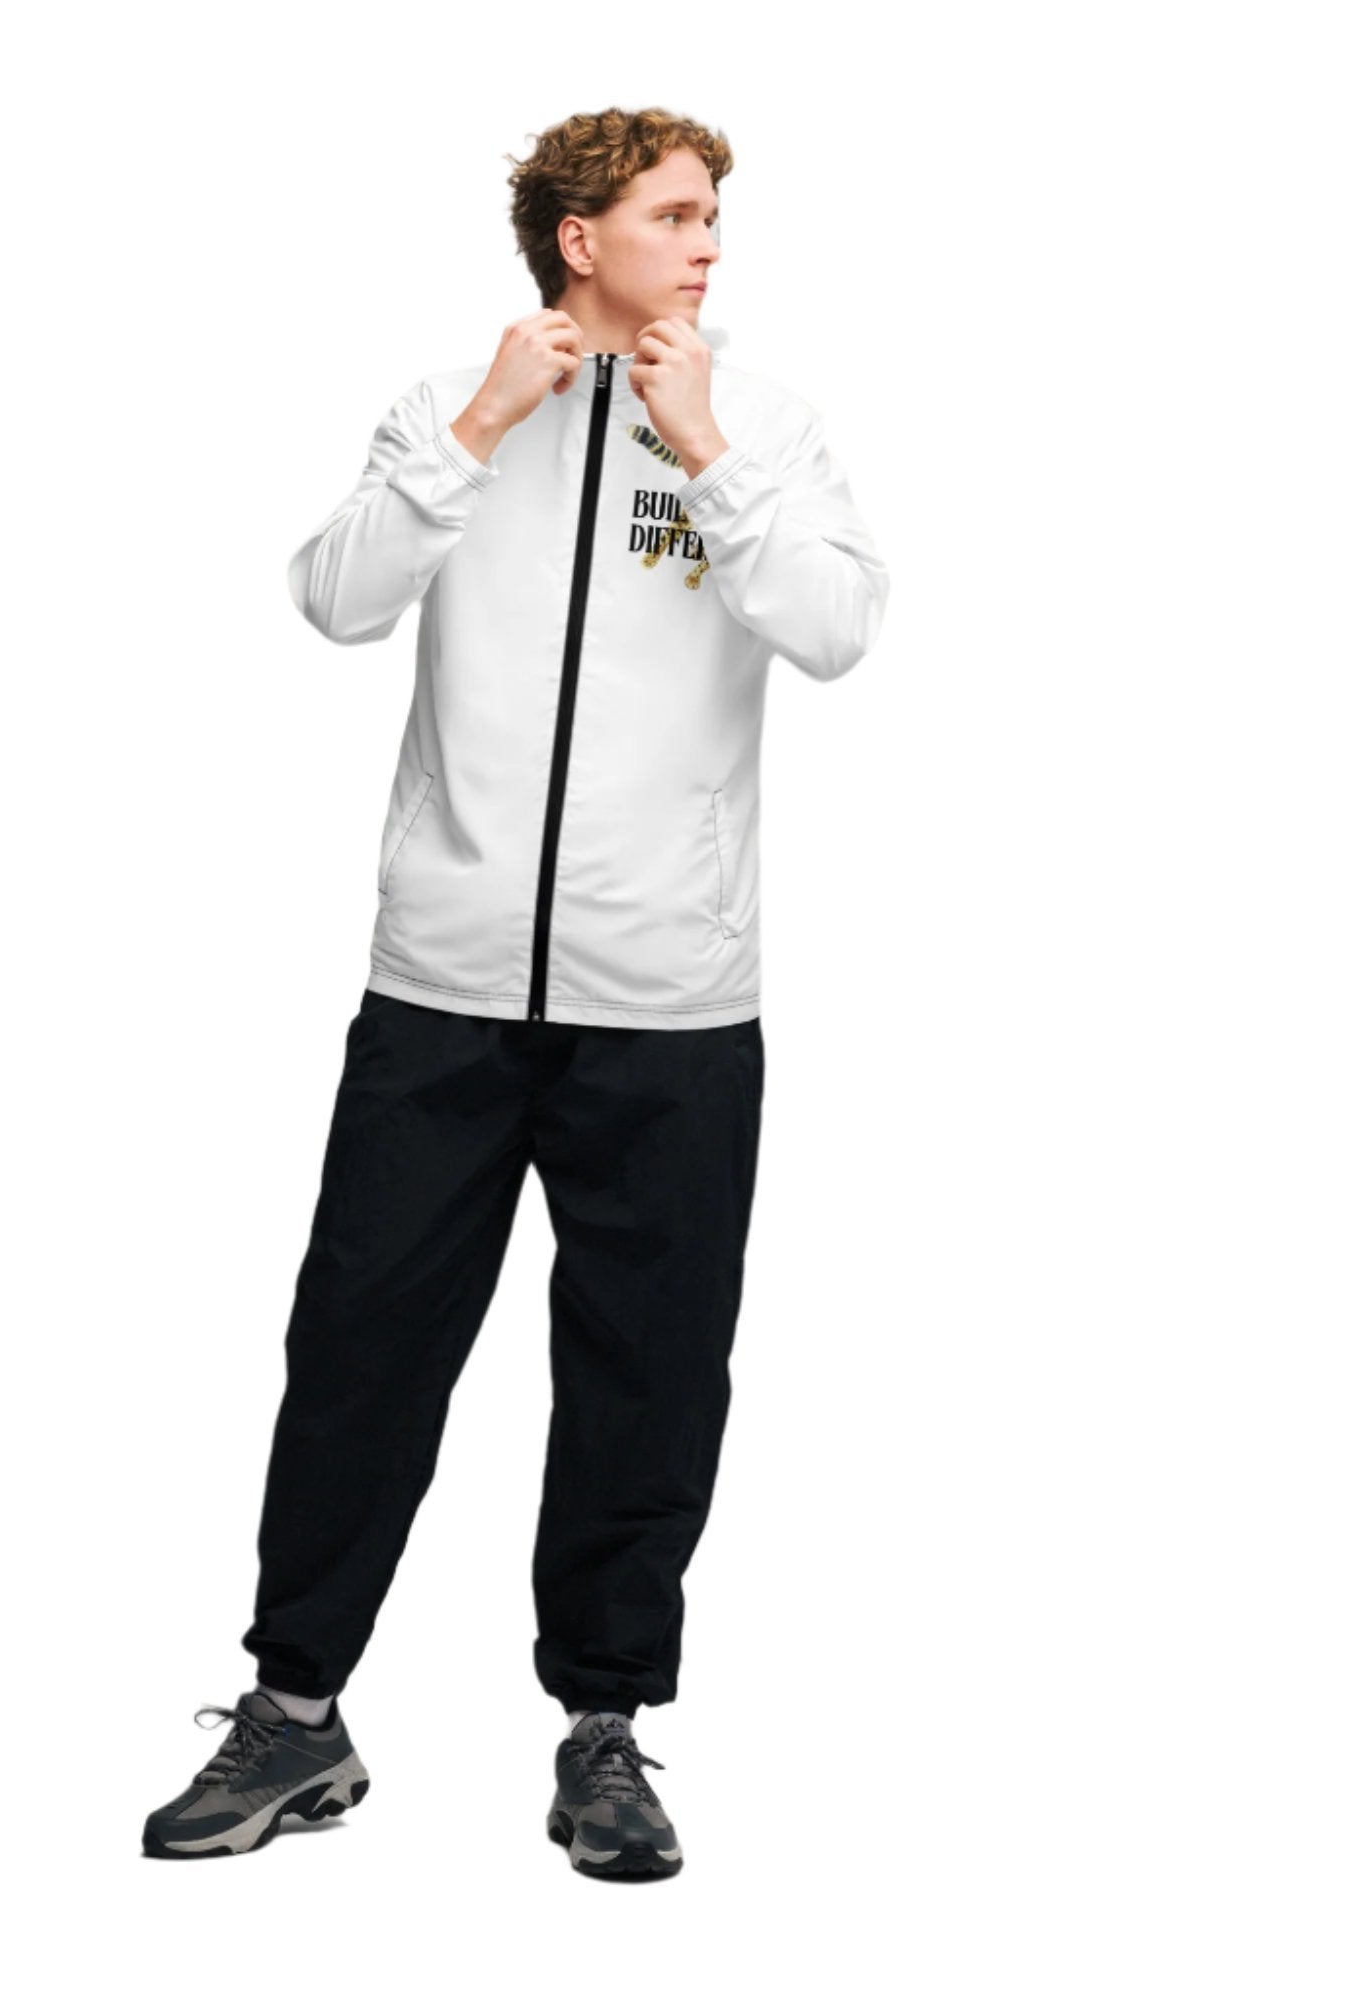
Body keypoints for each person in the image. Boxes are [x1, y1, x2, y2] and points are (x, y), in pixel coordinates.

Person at [142, 105, 890, 1877]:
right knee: (359, 1350)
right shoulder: (448, 406)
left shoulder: (766, 424)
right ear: (579, 236)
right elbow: (334, 599)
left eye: (712, 216)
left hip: (674, 1004)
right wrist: (479, 429)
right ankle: (297, 1716)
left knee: (648, 1376)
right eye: (676, 215)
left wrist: (706, 455)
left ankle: (604, 1733)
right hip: (445, 990)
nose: (709, 244)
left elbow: (838, 628)